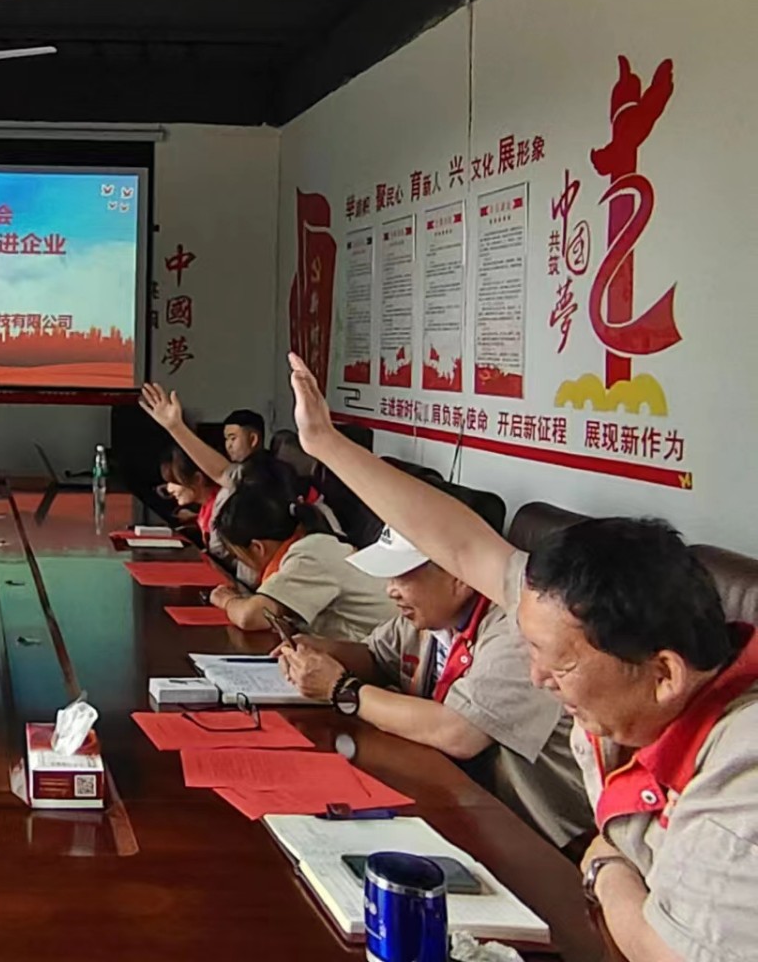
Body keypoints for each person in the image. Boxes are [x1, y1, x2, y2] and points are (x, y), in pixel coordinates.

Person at [286, 350, 758, 962]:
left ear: (664, 673)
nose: (538, 677)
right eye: (534, 650)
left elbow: (666, 951)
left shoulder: (741, 774)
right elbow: (462, 546)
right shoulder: (572, 617)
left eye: (559, 666)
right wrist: (326, 444)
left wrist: (606, 866)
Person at [278, 524, 590, 849]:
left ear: (459, 578)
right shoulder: (430, 618)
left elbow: (460, 733)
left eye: (402, 576)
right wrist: (319, 650)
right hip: (455, 800)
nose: (390, 590)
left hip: (535, 835)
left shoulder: (518, 633)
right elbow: (375, 657)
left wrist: (343, 690)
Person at [208, 484, 393, 640]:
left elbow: (251, 617)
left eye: (239, 556)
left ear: (258, 548)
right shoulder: (313, 544)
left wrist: (227, 601)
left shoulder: (310, 553)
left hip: (382, 659)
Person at [138, 384, 268, 497]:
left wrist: (176, 428)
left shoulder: (265, 474)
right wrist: (175, 427)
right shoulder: (245, 476)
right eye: (226, 439)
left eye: (233, 438)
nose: (228, 445)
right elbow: (222, 473)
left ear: (253, 439)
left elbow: (222, 473)